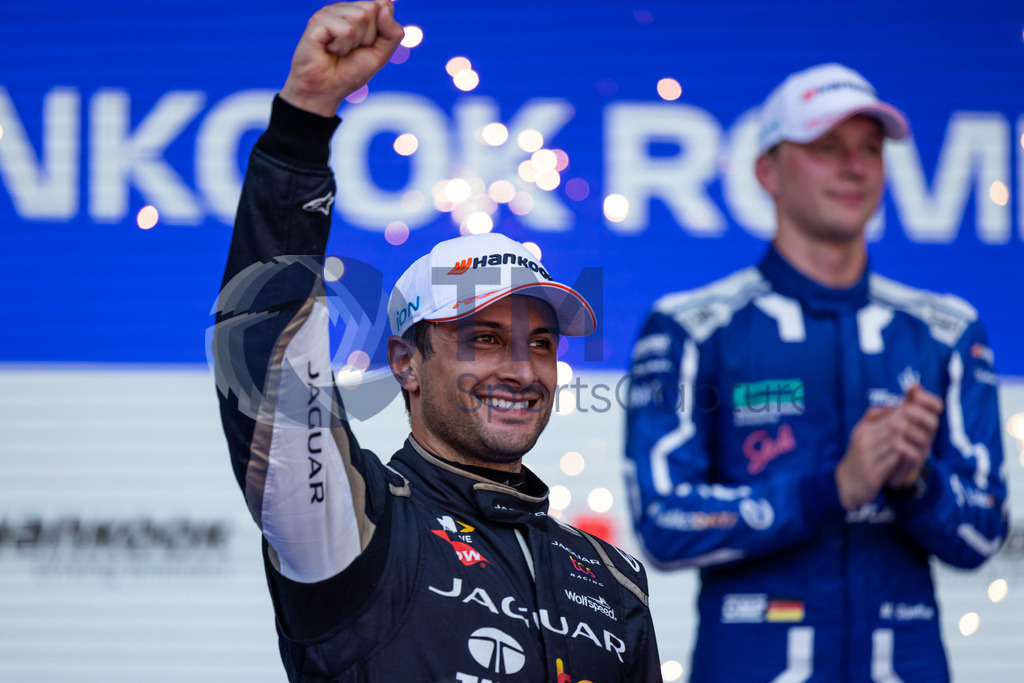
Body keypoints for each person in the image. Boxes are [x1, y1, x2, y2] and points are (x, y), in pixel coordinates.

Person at [213, 2, 662, 681]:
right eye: (484, 337)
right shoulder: (357, 522)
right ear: (406, 362)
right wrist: (302, 126)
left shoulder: (613, 577)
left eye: (541, 343)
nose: (521, 368)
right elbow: (267, 347)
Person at [625, 63, 1008, 682]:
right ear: (767, 172)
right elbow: (666, 522)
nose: (853, 167)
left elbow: (984, 533)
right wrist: (832, 487)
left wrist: (914, 481)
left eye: (869, 149)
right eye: (826, 148)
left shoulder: (945, 328)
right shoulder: (692, 325)